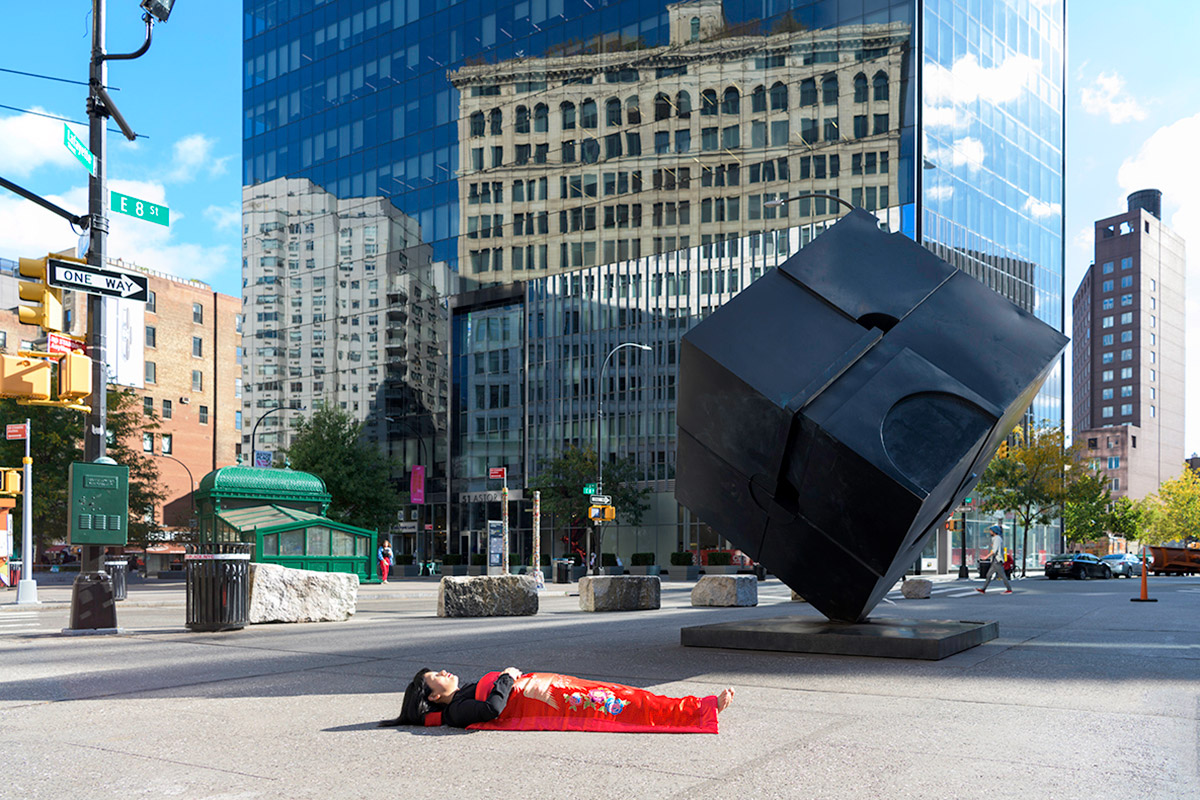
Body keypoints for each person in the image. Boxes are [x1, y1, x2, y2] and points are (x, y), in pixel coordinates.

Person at [382, 667, 734, 734]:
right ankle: (699, 709)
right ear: (433, 696)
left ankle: (695, 707)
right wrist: (507, 676)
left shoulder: (457, 697)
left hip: (556, 690)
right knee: (625, 704)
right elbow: (493, 709)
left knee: (625, 696)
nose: (445, 672)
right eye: (436, 677)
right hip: (560, 702)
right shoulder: (456, 711)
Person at [976, 524, 1013, 594]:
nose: (990, 532)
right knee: (988, 575)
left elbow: (994, 550)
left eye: (991, 530)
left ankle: (1009, 589)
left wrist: (986, 557)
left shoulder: (997, 538)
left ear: (994, 531)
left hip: (997, 560)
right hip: (995, 560)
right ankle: (983, 589)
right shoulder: (997, 538)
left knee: (1002, 575)